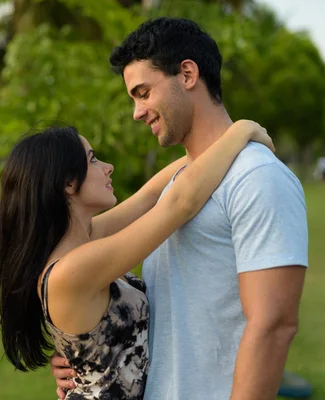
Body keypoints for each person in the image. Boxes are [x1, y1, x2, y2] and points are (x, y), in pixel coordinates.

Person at [51, 17, 308, 400]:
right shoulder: (177, 186)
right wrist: (88, 351)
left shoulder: (257, 177)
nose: (137, 112)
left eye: (143, 92)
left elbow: (274, 325)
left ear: (187, 73)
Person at [0, 120, 274, 399]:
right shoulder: (72, 270)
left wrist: (215, 143)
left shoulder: (85, 241)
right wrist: (242, 131)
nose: (107, 167)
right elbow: (178, 205)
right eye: (92, 160)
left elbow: (150, 196)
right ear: (68, 182)